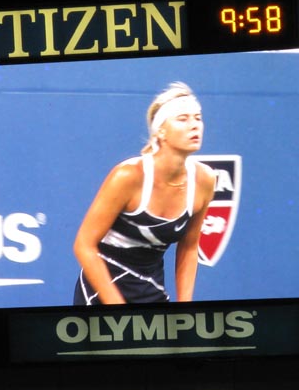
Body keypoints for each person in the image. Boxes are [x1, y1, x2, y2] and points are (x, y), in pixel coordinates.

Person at [73, 81, 216, 305]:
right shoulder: (128, 176)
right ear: (161, 131)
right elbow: (84, 244)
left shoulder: (205, 180)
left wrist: (186, 306)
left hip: (152, 291)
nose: (194, 125)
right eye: (182, 119)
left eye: (198, 117)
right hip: (100, 294)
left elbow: (189, 246)